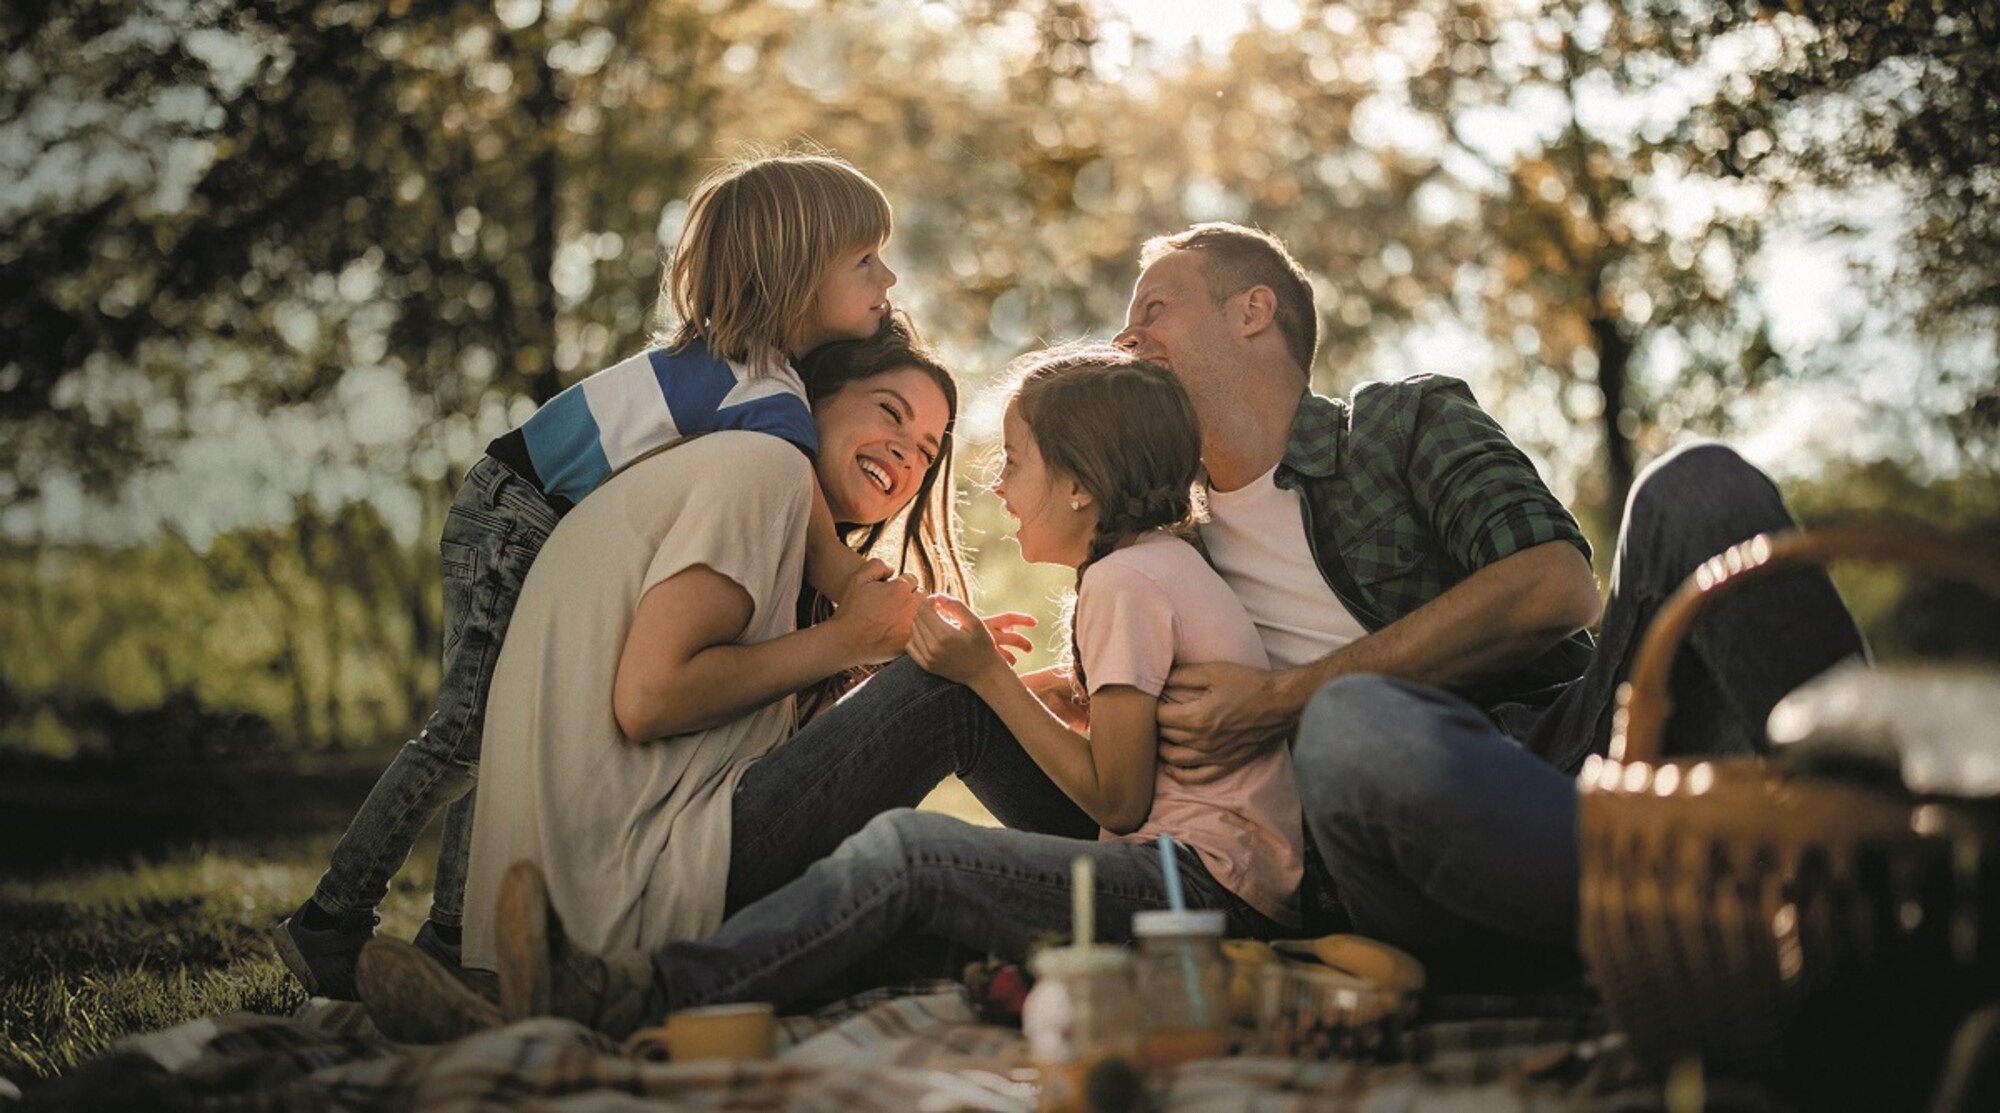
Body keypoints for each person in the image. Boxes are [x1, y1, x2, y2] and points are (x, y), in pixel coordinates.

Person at [357, 345, 1306, 1038]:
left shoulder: (1127, 582)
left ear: (1082, 489)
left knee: (913, 852)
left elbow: (1119, 796)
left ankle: (635, 996)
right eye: (895, 418)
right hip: (1185, 878)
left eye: (1010, 462)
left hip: (1199, 895)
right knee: (889, 874)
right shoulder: (1148, 571)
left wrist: (986, 676)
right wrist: (1006, 684)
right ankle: (527, 1006)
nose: (994, 484)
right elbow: (1123, 757)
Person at [1109, 222, 1867, 987]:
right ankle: (1688, 925)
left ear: (1252, 311)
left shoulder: (1402, 424)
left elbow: (1555, 585)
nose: (1126, 336)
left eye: (1153, 311)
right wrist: (1010, 685)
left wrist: (1281, 698)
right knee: (1350, 724)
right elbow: (1127, 769)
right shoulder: (1163, 552)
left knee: (1699, 485)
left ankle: (1888, 858)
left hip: (1589, 752)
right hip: (1407, 855)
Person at [275, 151, 910, 1000]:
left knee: (498, 736)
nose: (888, 276)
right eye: (864, 260)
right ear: (796, 271)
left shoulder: (746, 375)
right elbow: (812, 528)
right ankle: (333, 918)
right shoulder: (762, 392)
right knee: (465, 732)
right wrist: (867, 608)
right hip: (517, 509)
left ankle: (452, 938)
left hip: (525, 505)